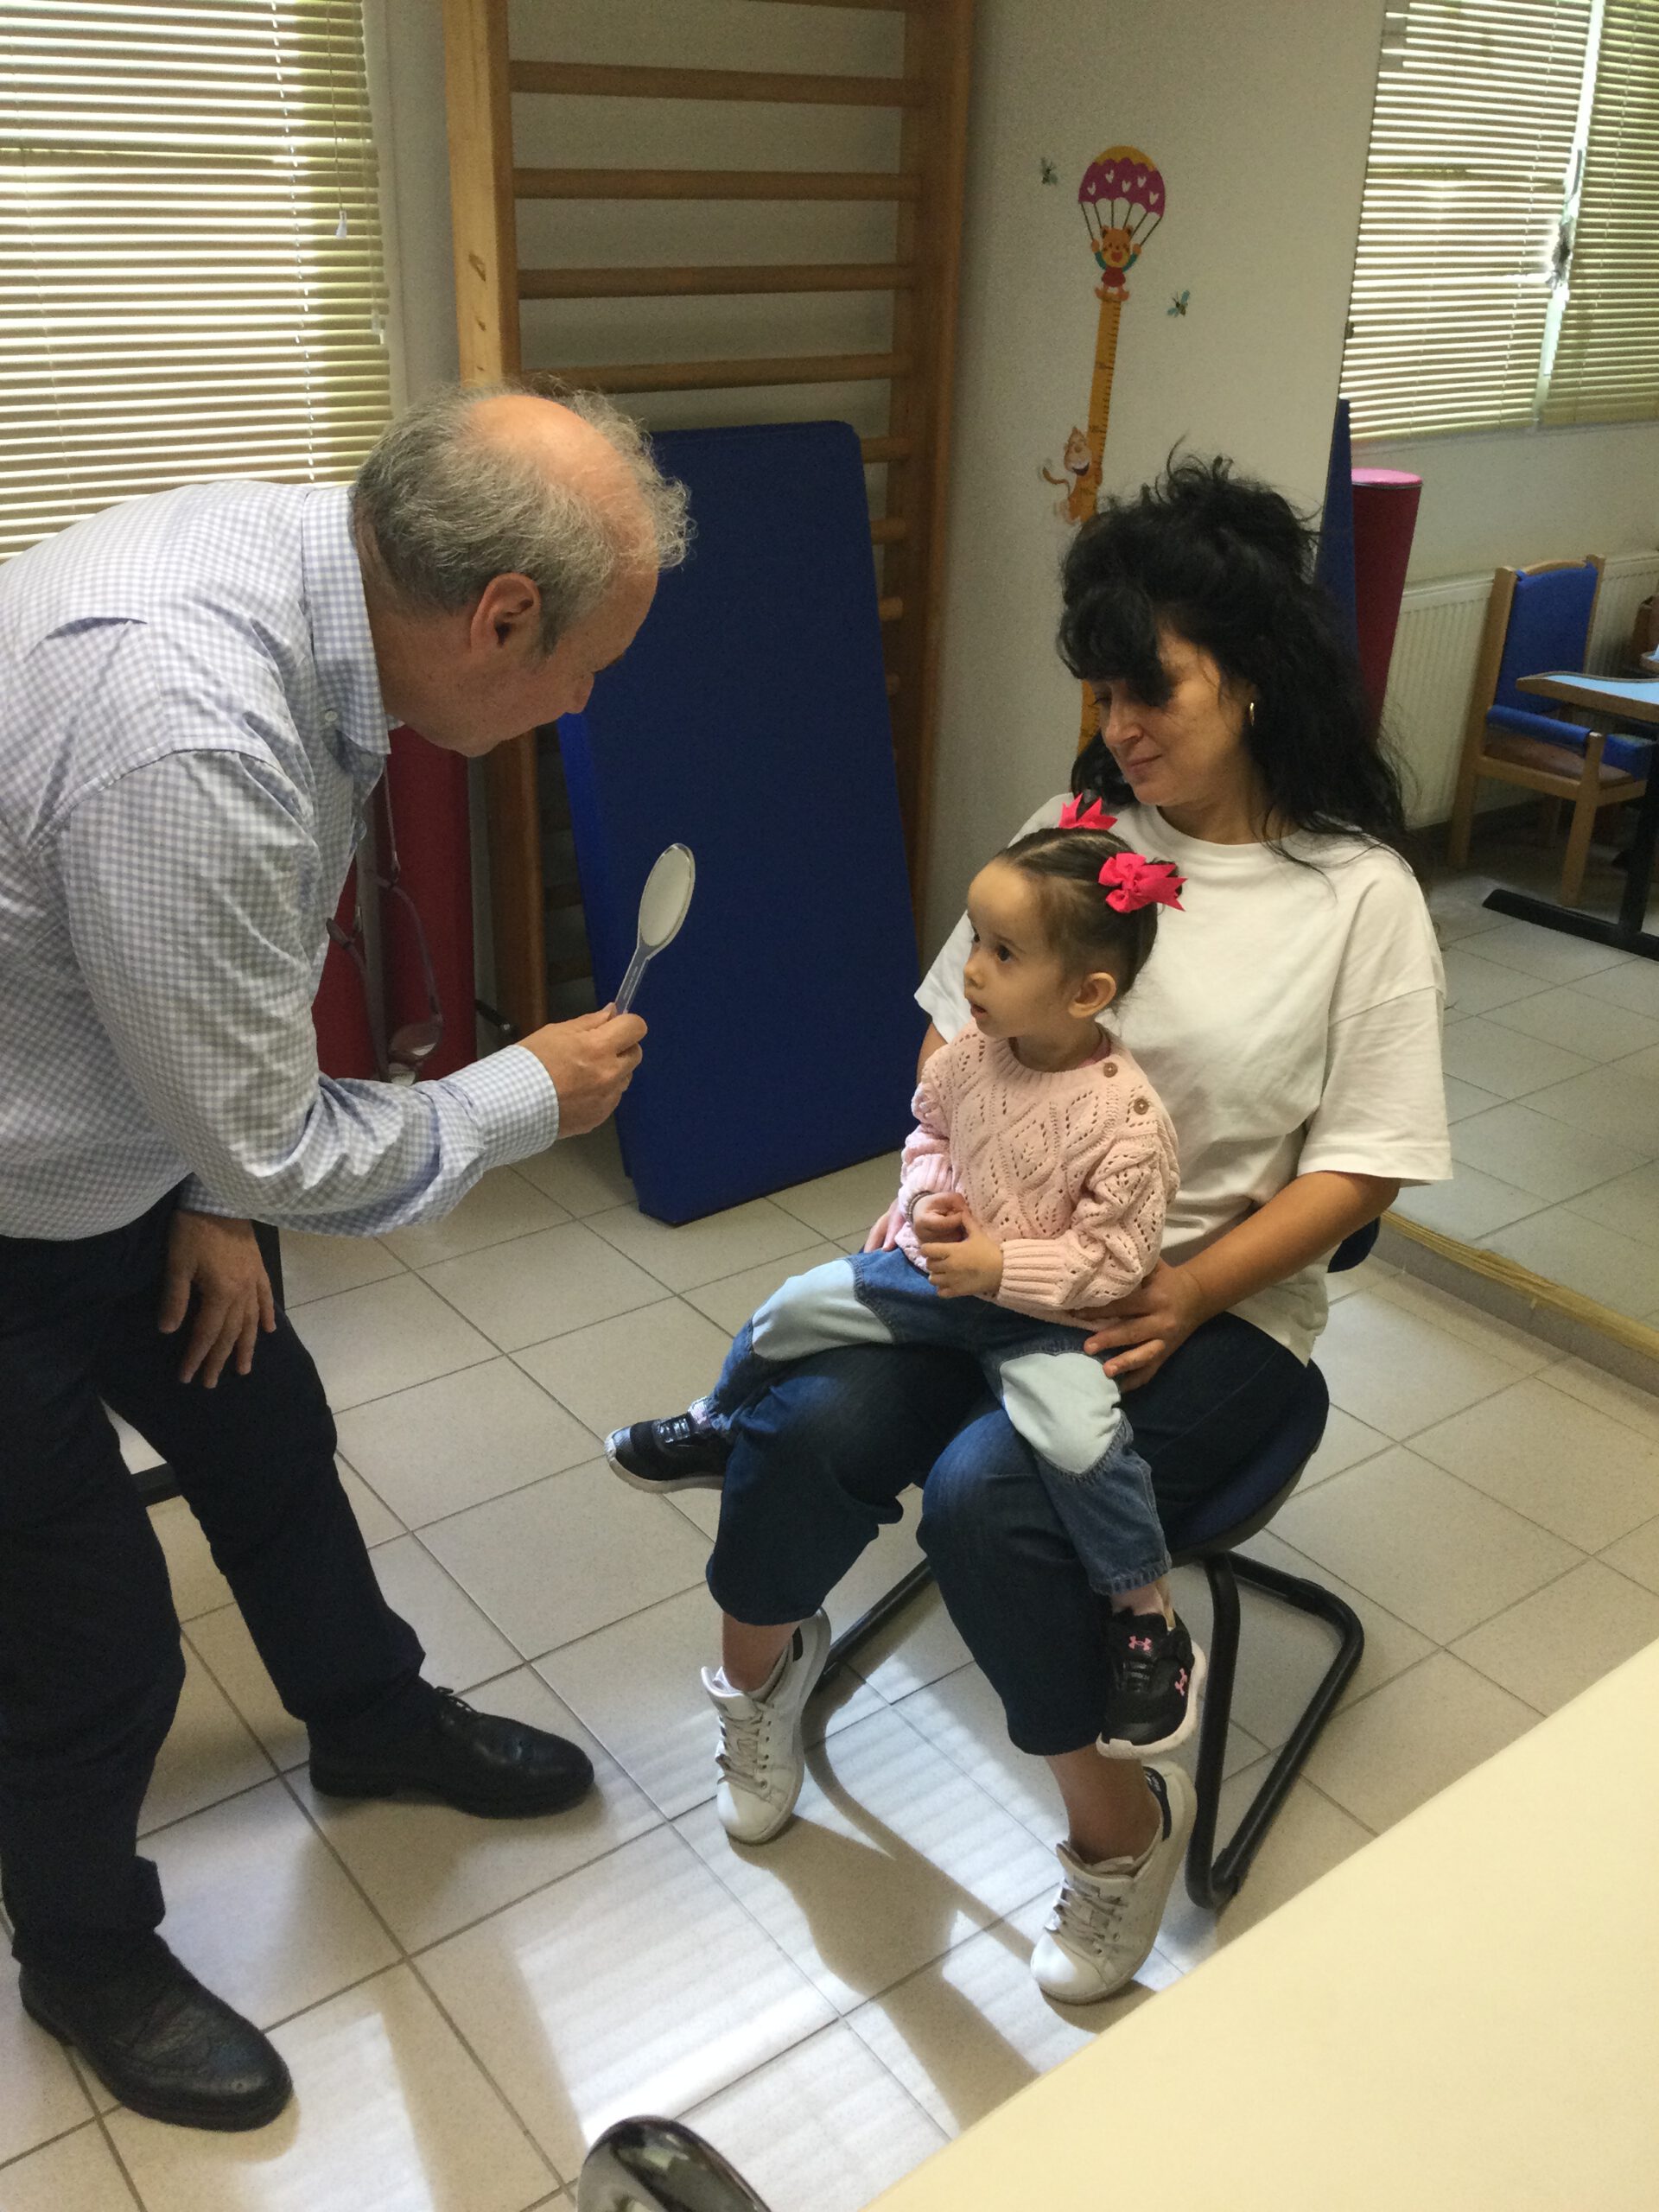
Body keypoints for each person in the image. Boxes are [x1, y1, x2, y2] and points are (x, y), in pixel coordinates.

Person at [610, 455, 1451, 2006]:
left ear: (1253, 675)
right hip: (991, 1263)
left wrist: (1191, 1289)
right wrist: (937, 1178)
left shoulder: (1357, 896)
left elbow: (1367, 1169)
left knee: (993, 1498)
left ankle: (1118, 1832)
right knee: (806, 1414)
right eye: (1104, 691)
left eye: (1153, 690)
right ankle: (757, 1675)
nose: (1121, 725)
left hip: (1199, 1305)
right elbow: (954, 1030)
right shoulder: (1078, 833)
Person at [0, 378, 686, 2129]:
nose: (582, 705)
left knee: (268, 1436)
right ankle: (82, 1951)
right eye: (582, 668)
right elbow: (280, 1138)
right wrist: (523, 1094)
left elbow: (192, 998)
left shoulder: (323, 573)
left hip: (113, 1136)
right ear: (502, 614)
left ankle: (371, 1719)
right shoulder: (189, 724)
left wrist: (209, 1192)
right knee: (93, 1641)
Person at [613, 808, 1204, 1789]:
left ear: (1087, 991)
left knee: (1080, 1440)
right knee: (795, 1306)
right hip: (939, 1281)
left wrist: (999, 1270)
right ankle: (720, 1418)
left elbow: (1113, 1261)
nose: (971, 972)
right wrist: (927, 1200)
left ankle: (1144, 1616)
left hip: (1047, 1321)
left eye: (1003, 953)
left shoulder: (1128, 1119)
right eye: (977, 940)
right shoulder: (972, 1053)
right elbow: (930, 1131)